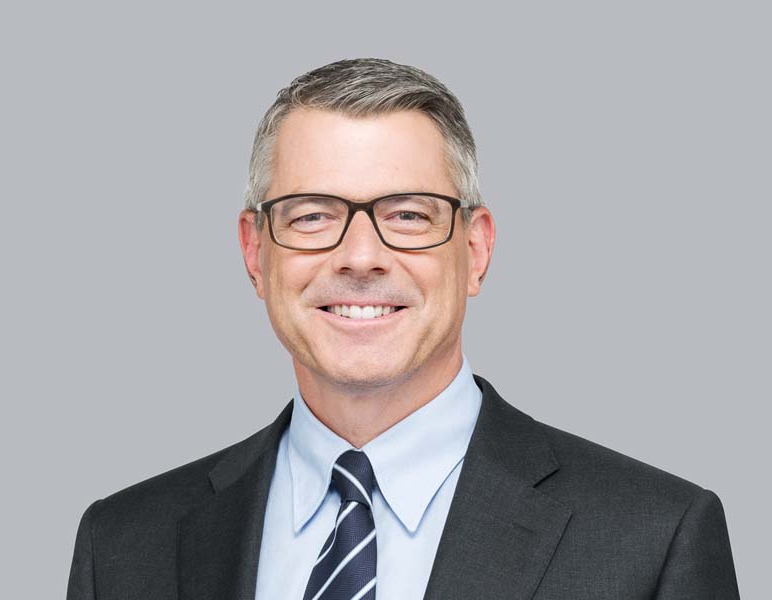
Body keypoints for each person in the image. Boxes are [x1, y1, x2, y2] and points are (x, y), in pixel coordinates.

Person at [66, 58, 740, 600]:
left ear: (475, 249)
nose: (360, 257)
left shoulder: (653, 538)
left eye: (409, 215)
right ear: (254, 252)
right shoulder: (122, 545)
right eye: (312, 216)